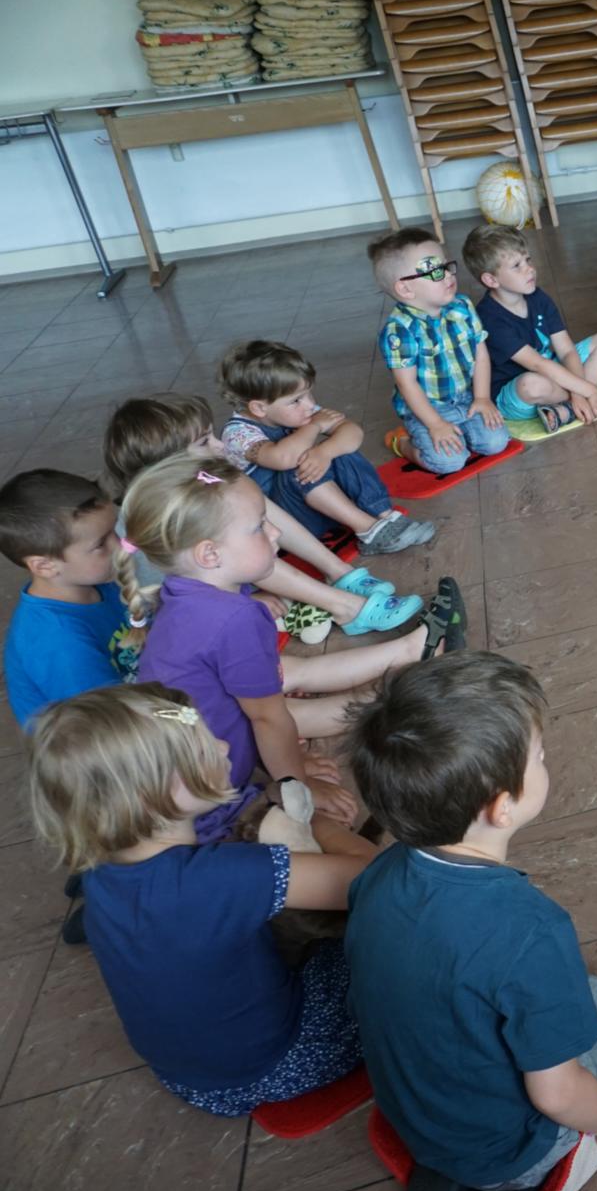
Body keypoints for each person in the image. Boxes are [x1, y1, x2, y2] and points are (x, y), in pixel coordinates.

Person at [343, 653, 597, 1191]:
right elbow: (556, 1095)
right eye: (540, 756)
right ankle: (526, 1182)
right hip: (503, 1149)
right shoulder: (531, 929)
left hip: (424, 1103)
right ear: (501, 807)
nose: (547, 761)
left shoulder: (384, 871)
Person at [27, 682, 376, 1114]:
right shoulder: (216, 877)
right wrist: (309, 818)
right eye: (201, 746)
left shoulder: (100, 874)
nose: (225, 745)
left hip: (187, 1079)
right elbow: (370, 878)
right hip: (276, 1065)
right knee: (390, 953)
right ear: (150, 797)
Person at [120, 456, 461, 844]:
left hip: (185, 783)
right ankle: (397, 684)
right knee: (352, 857)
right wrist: (296, 785)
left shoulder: (183, 596)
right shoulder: (234, 618)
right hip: (209, 806)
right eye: (258, 527)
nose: (275, 533)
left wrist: (286, 768)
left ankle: (399, 672)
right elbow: (268, 720)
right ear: (209, 555)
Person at [103, 393, 422, 641]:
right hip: (189, 612)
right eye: (204, 442)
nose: (219, 446)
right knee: (248, 540)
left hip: (214, 576)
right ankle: (346, 608)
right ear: (166, 462)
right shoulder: (168, 510)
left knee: (249, 506)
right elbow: (239, 558)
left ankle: (340, 573)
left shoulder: (186, 482)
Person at [217, 339, 436, 553]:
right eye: (296, 400)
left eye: (308, 393)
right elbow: (282, 458)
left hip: (323, 509)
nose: (310, 404)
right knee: (298, 464)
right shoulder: (237, 433)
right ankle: (368, 531)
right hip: (289, 524)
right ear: (259, 408)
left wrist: (325, 451)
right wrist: (315, 426)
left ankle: (383, 515)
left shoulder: (299, 412)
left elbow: (353, 432)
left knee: (337, 448)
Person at [1, 469, 140, 727]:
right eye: (101, 544)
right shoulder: (58, 640)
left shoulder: (94, 583)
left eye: (114, 531)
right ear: (44, 566)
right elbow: (109, 723)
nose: (120, 546)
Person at [370, 226, 513, 475]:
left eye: (446, 266)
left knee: (496, 443)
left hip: (467, 398)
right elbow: (407, 385)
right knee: (449, 463)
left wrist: (482, 398)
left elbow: (480, 355)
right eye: (435, 271)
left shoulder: (462, 306)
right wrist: (435, 424)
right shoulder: (400, 330)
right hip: (428, 409)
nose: (448, 275)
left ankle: (462, 432)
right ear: (405, 289)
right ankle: (402, 441)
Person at [464, 222, 597, 432]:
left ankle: (566, 408)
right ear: (491, 279)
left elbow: (566, 350)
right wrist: (590, 391)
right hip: (517, 393)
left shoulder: (538, 297)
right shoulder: (490, 318)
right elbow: (538, 364)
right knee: (531, 384)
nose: (529, 268)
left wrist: (580, 393)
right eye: (517, 266)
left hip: (552, 373)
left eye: (528, 260)